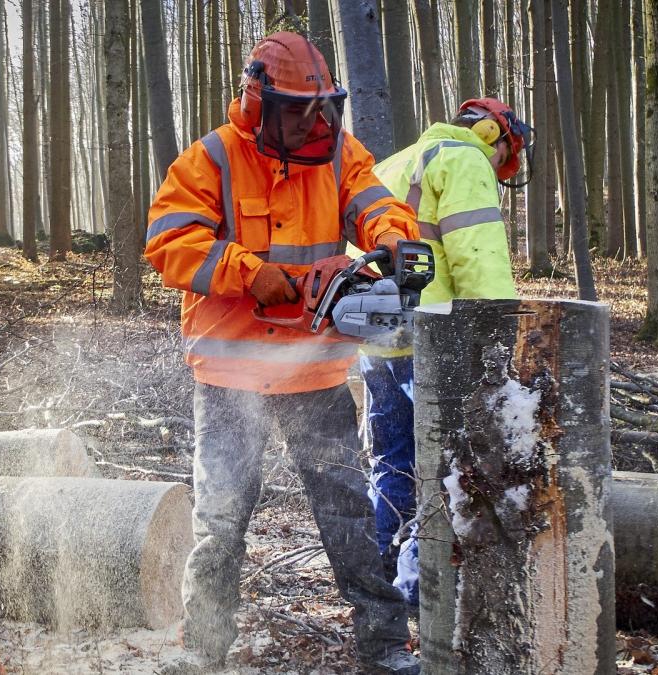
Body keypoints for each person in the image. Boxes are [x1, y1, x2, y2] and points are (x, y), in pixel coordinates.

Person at [144, 32, 421, 675]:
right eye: (297, 108)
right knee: (221, 519)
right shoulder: (212, 158)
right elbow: (168, 241)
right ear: (259, 100)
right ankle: (205, 651)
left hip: (313, 369)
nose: (310, 120)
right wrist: (249, 272)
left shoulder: (337, 154)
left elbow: (378, 203)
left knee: (348, 513)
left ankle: (382, 647)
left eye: (319, 107)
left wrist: (390, 245)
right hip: (230, 374)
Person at [359, 98, 533, 605]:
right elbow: (478, 258)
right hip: (434, 338)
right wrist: (498, 339)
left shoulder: (394, 162)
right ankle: (420, 590)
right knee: (446, 463)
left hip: (375, 337)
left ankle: (379, 576)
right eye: (502, 153)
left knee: (391, 459)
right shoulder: (464, 159)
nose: (498, 164)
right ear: (490, 136)